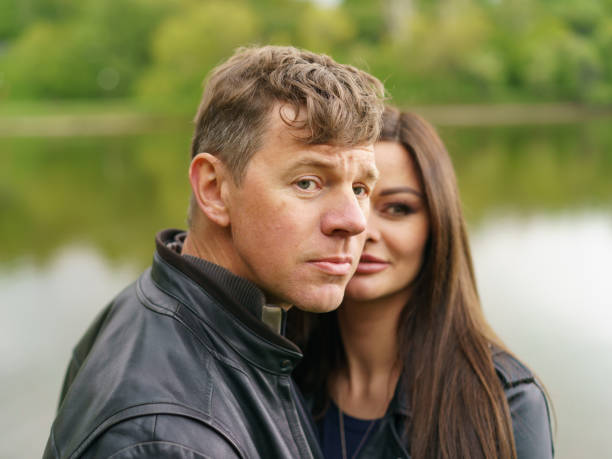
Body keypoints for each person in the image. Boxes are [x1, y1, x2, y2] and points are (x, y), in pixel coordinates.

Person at [43, 45, 385, 459]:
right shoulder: (169, 441)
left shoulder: (178, 303)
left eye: (360, 188)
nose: (354, 221)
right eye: (308, 182)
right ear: (213, 189)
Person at [289, 107, 554, 459]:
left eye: (398, 209)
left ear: (437, 227)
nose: (362, 229)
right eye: (352, 198)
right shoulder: (280, 374)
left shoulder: (505, 403)